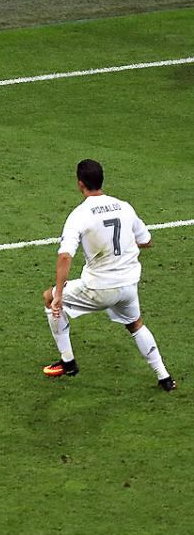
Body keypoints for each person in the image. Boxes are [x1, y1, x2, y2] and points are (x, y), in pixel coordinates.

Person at [42, 159, 175, 391]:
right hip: (128, 285)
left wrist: (59, 294)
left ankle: (68, 362)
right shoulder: (124, 206)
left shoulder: (79, 215)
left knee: (48, 297)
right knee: (135, 325)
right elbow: (146, 240)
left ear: (80, 183)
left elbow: (65, 257)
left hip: (99, 288)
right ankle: (164, 377)